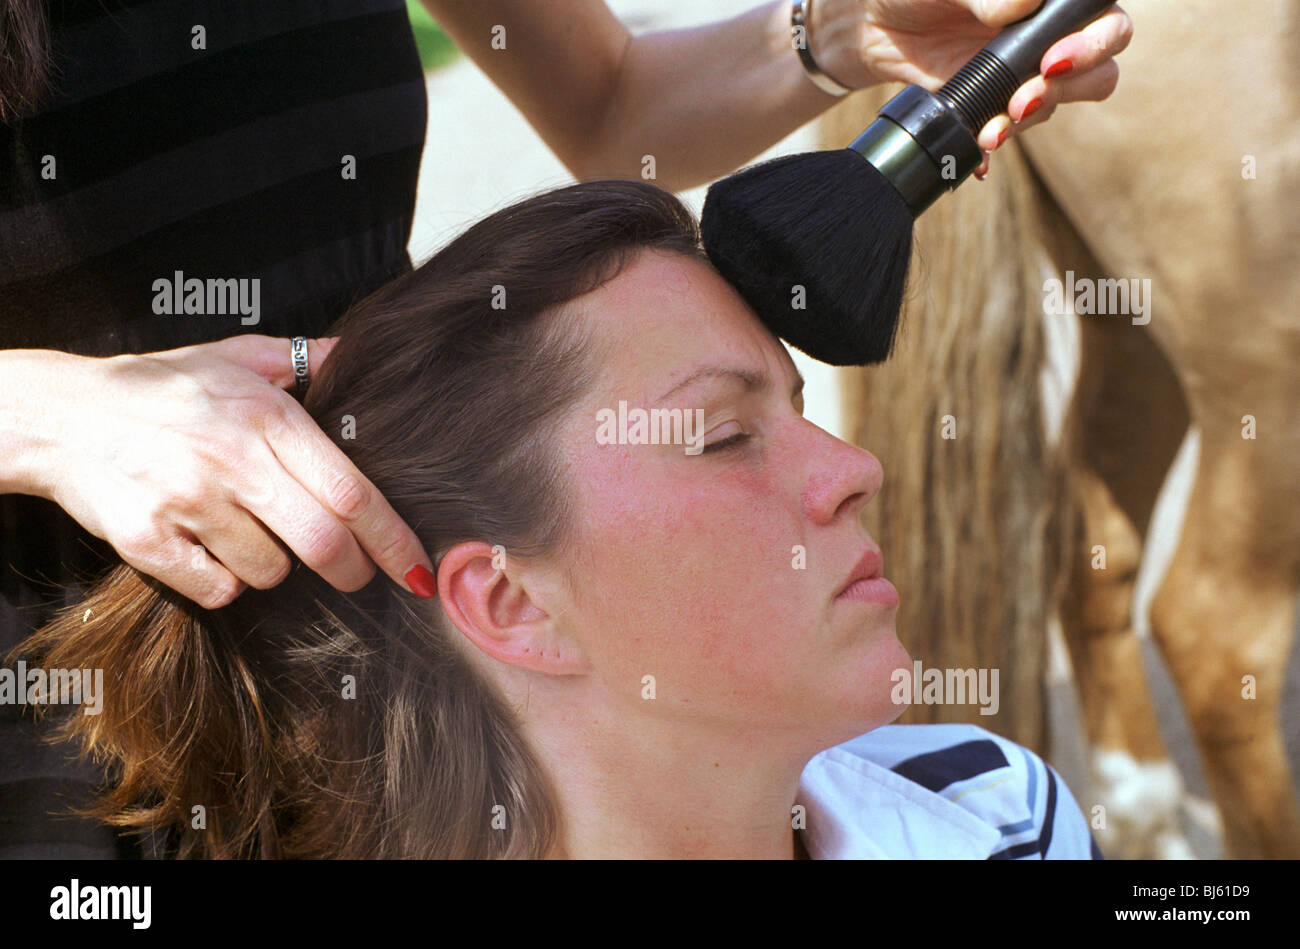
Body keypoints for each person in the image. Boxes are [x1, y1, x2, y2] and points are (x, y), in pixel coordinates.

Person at [0, 0, 1129, 857]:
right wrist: (50, 417)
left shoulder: (993, 811)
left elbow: (609, 104)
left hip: (379, 611)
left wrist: (831, 28)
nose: (858, 470)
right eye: (722, 435)